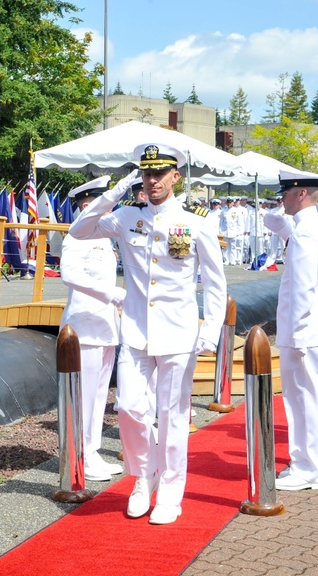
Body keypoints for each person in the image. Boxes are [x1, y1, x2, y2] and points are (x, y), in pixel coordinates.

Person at [68, 143, 226, 525]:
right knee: (128, 408)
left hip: (178, 332)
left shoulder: (196, 221)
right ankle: (143, 475)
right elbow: (79, 229)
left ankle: (170, 492)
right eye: (146, 173)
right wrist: (115, 191)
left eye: (160, 174)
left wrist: (210, 331)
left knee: (173, 416)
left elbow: (216, 283)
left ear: (176, 176)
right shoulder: (126, 215)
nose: (152, 180)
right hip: (137, 330)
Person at [58, 174, 136, 481]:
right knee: (85, 395)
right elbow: (69, 274)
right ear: (88, 204)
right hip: (85, 324)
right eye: (104, 203)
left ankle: (91, 451)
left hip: (104, 324)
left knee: (99, 392)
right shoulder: (77, 235)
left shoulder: (101, 236)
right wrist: (112, 294)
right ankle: (80, 453)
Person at [274, 169, 318, 492]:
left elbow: (301, 289)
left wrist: (296, 333)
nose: (281, 199)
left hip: (303, 330)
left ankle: (308, 468)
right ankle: (312, 462)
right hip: (315, 327)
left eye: (285, 192)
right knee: (311, 398)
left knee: (301, 400)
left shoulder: (304, 234)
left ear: (300, 193)